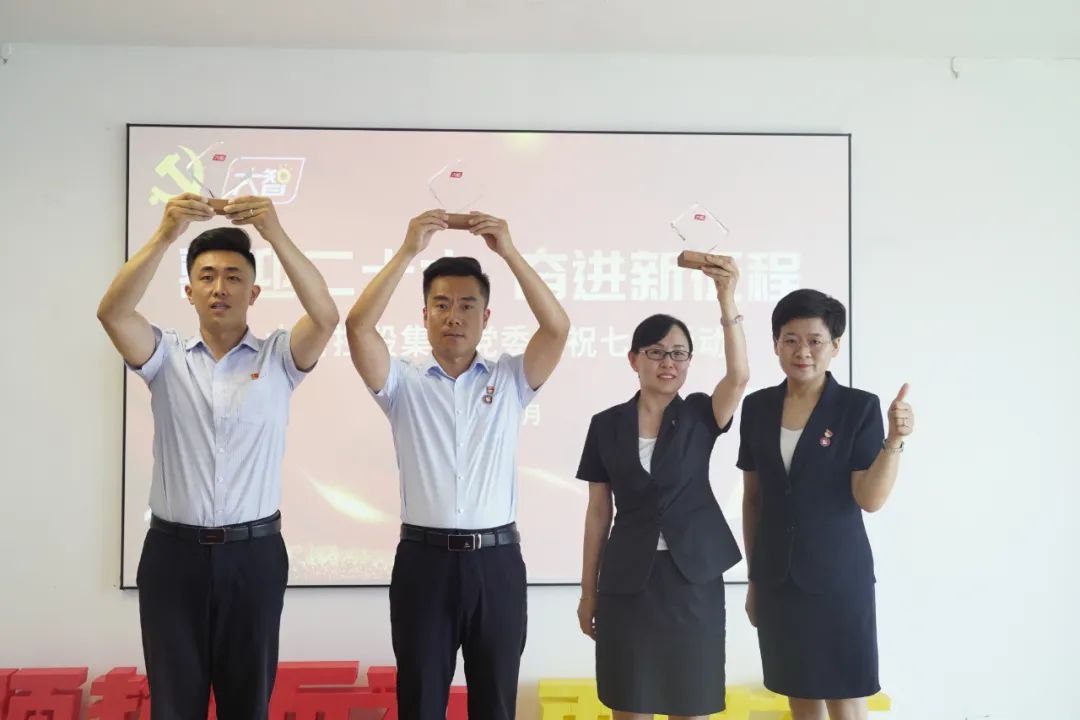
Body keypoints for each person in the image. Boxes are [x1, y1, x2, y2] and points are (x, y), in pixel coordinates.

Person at [97, 193, 339, 718]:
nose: (219, 288)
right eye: (206, 277)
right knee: (173, 705)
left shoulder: (279, 357)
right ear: (188, 292)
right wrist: (165, 233)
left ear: (254, 292)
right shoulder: (165, 357)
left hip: (254, 555)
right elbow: (112, 313)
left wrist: (274, 233)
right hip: (172, 555)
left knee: (247, 703)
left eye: (233, 277)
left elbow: (325, 316)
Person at [345, 210, 570, 720]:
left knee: (496, 703)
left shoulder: (510, 380)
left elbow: (557, 328)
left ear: (486, 317)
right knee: (421, 702)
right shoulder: (401, 383)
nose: (454, 316)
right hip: (424, 564)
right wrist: (408, 250)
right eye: (441, 304)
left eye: (468, 305)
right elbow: (358, 327)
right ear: (424, 314)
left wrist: (508, 251)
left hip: (497, 563)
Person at [576, 255, 749, 719]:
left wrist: (726, 299)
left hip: (692, 577)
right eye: (655, 352)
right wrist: (588, 592)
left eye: (678, 353)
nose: (667, 362)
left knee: (690, 704)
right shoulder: (606, 425)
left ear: (689, 361)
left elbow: (739, 377)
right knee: (629, 704)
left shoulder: (700, 413)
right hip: (628, 581)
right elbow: (598, 513)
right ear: (634, 359)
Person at [739, 288, 914, 720]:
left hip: (837, 579)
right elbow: (754, 499)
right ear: (776, 344)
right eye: (790, 340)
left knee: (846, 699)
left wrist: (894, 440)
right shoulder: (757, 407)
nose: (802, 351)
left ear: (835, 346)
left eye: (815, 341)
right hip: (779, 580)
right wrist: (756, 580)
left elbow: (869, 499)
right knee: (799, 697)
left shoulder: (858, 407)